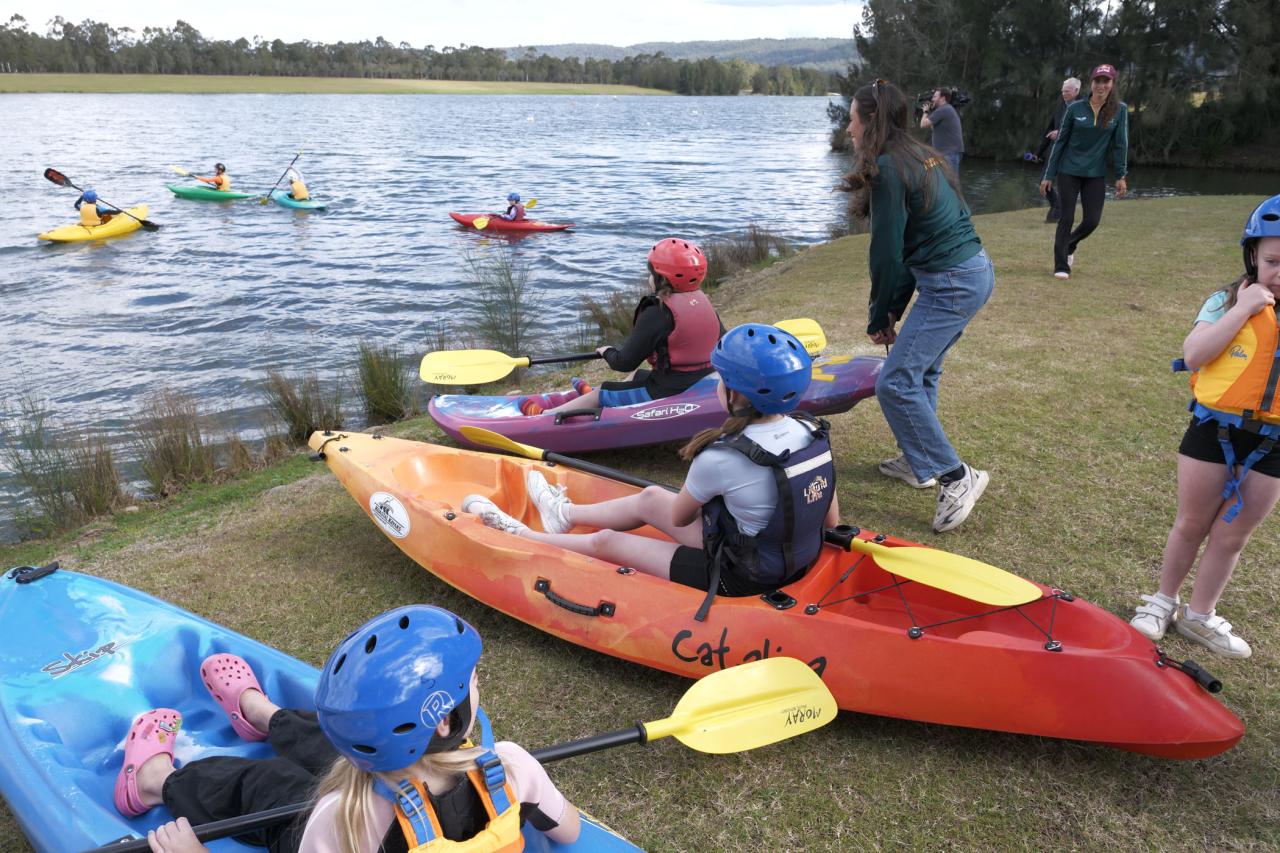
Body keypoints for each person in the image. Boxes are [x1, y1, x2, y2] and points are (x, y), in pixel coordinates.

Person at [111, 605, 581, 852]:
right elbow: (569, 832)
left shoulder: (343, 818)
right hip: (391, 793)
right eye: (472, 679)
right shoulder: (512, 766)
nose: (478, 681)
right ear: (443, 719)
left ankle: (154, 783)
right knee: (334, 754)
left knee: (265, 785)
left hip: (337, 822)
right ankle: (264, 715)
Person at [469, 323, 839, 617]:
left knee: (608, 541)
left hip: (738, 574)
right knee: (649, 498)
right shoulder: (812, 432)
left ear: (737, 396)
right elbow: (831, 522)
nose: (715, 385)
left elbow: (679, 519)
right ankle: (562, 513)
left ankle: (523, 537)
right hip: (791, 556)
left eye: (720, 380)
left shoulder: (720, 456)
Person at [1128, 196, 1280, 660]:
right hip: (1213, 433)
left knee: (1233, 535)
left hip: (1273, 442)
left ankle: (1199, 614)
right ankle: (1162, 601)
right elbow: (1194, 355)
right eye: (1273, 260)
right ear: (1252, 255)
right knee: (1192, 523)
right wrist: (1245, 308)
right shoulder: (1225, 301)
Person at [841, 79, 992, 533]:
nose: (848, 129)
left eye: (852, 118)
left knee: (895, 382)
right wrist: (893, 311)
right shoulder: (921, 154)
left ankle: (955, 475)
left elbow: (887, 253)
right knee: (921, 370)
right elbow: (911, 247)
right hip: (971, 272)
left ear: (871, 122)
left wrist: (879, 314)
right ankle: (916, 459)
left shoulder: (889, 166)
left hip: (952, 282)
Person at [520, 237, 723, 417]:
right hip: (700, 378)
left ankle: (546, 415)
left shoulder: (657, 312)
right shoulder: (702, 302)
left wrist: (607, 351)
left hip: (669, 389)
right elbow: (722, 341)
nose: (649, 277)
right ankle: (588, 395)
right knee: (637, 376)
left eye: (651, 273)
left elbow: (624, 363)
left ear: (660, 279)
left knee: (605, 392)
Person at [1038, 64, 1128, 279]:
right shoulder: (1075, 109)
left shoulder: (1120, 110)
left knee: (1092, 220)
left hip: (1095, 173)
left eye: (1106, 81)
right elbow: (1060, 144)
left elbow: (1121, 145)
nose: (1101, 85)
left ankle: (1069, 245)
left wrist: (1121, 175)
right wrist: (1048, 175)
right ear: (1092, 83)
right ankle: (1061, 265)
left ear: (1112, 84)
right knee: (1066, 217)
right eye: (1098, 81)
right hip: (1068, 170)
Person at [1034, 77, 1082, 223]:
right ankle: (1056, 205)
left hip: (1072, 153)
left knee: (1065, 185)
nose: (1064, 94)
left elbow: (1082, 131)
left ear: (1076, 91)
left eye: (1067, 91)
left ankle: (1059, 211)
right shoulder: (1061, 105)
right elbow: (1050, 129)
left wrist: (1060, 132)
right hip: (1056, 151)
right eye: (1062, 91)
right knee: (1043, 181)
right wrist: (1038, 152)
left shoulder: (1083, 108)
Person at [919, 87, 964, 176]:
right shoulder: (945, 109)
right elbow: (933, 128)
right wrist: (931, 111)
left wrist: (926, 112)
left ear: (942, 98)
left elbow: (923, 124)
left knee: (951, 182)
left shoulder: (944, 109)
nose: (932, 99)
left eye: (935, 97)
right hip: (942, 155)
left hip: (949, 154)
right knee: (924, 167)